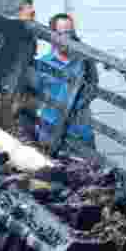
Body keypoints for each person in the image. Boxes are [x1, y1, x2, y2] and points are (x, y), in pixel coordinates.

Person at [33, 13, 96, 149]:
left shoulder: (85, 61)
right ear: (52, 35)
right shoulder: (42, 65)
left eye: (69, 33)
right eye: (61, 34)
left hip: (82, 135)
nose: (66, 38)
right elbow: (34, 98)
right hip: (50, 136)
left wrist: (76, 106)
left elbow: (93, 89)